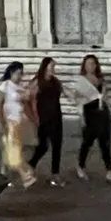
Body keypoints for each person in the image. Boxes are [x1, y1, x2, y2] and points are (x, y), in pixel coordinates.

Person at [70, 54, 111, 184]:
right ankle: (80, 165)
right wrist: (81, 117)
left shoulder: (101, 80)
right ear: (84, 66)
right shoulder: (80, 81)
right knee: (87, 141)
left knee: (105, 143)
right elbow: (77, 100)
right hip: (89, 113)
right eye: (88, 64)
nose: (90, 66)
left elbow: (105, 97)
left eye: (93, 63)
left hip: (102, 113)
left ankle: (109, 172)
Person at [0, 62, 36, 189]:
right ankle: (25, 175)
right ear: (11, 73)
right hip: (10, 121)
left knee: (13, 148)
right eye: (17, 73)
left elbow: (27, 101)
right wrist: (0, 121)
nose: (19, 76)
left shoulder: (20, 87)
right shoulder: (5, 85)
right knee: (13, 148)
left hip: (20, 122)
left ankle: (4, 173)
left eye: (21, 73)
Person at [27, 57, 66, 186]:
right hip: (43, 117)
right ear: (45, 67)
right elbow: (30, 99)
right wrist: (34, 117)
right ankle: (30, 165)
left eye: (54, 67)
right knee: (42, 146)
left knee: (57, 145)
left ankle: (55, 174)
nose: (53, 69)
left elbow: (65, 92)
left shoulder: (56, 82)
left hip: (56, 116)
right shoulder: (37, 82)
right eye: (51, 67)